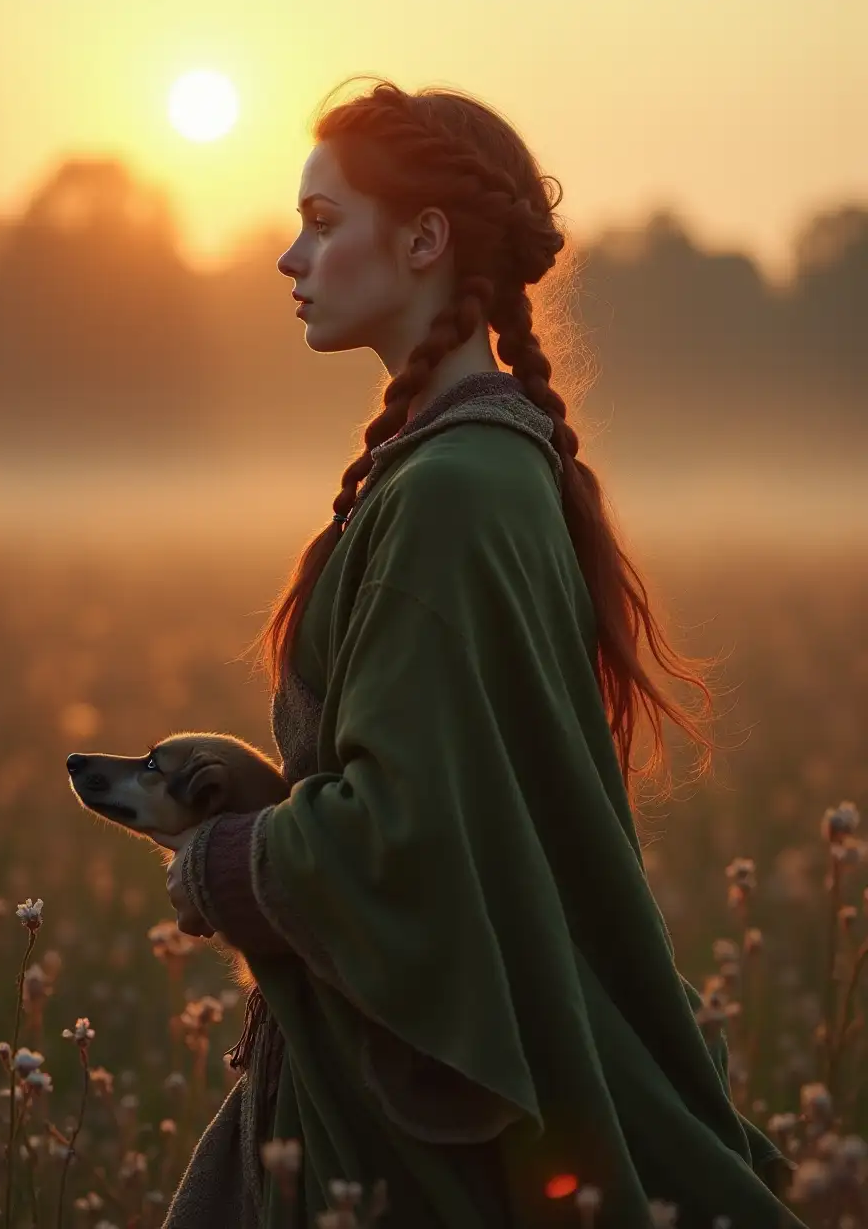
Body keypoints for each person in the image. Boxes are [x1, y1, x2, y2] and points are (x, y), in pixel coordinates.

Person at [153, 77, 804, 1229]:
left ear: (422, 239)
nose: (287, 258)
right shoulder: (473, 468)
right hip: (375, 1058)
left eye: (320, 221)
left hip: (402, 1114)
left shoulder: (455, 492)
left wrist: (222, 858)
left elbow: (408, 833)